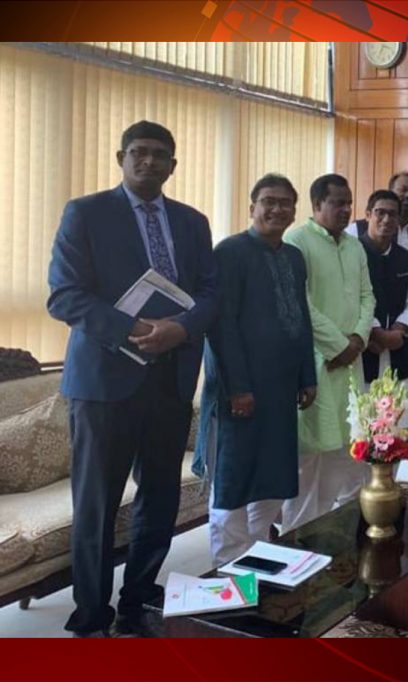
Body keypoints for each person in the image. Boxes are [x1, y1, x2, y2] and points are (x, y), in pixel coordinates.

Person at [47, 120, 218, 637]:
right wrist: (137, 330)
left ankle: (139, 600)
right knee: (97, 505)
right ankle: (92, 615)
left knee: (160, 500)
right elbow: (64, 295)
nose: (148, 161)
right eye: (138, 152)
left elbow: (211, 293)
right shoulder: (85, 213)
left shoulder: (192, 222)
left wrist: (180, 328)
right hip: (103, 385)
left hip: (170, 381)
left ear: (173, 165)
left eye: (159, 154)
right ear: (120, 157)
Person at [195, 174, 317, 566]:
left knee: (274, 476)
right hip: (240, 391)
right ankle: (229, 565)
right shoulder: (230, 252)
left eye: (285, 203)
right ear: (252, 208)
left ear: (294, 212)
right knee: (233, 480)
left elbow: (300, 318)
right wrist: (238, 388)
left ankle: (259, 552)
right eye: (269, 201)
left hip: (281, 390)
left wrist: (307, 375)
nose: (277, 209)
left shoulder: (293, 257)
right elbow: (222, 325)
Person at [282, 174, 376, 528]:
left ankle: (326, 533)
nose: (346, 209)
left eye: (349, 203)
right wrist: (338, 345)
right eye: (338, 203)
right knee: (309, 458)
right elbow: (300, 304)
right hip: (316, 365)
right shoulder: (297, 241)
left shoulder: (354, 246)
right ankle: (297, 537)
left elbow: (368, 296)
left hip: (350, 364)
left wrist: (358, 339)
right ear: (317, 204)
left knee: (344, 450)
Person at [349, 172, 408, 417]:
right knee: (362, 419)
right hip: (365, 344)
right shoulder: (353, 250)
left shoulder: (406, 257)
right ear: (368, 215)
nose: (386, 220)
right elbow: (351, 296)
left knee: (395, 419)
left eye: (392, 215)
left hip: (398, 344)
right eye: (380, 213)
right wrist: (376, 331)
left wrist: (399, 329)